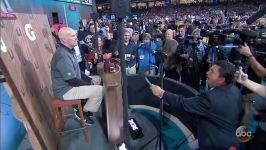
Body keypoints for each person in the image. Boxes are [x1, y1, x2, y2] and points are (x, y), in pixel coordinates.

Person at [150, 60, 244, 150]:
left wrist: (161, 93)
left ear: (222, 79)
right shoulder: (235, 90)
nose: (207, 73)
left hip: (216, 144)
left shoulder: (210, 98)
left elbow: (182, 103)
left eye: (212, 72)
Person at [50, 27, 103, 125]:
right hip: (65, 90)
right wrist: (89, 85)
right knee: (99, 89)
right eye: (73, 36)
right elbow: (72, 81)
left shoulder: (70, 50)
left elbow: (77, 70)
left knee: (97, 79)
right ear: (64, 39)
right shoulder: (63, 55)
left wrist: (89, 80)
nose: (76, 38)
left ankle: (85, 104)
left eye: (76, 35)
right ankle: (82, 112)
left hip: (70, 85)